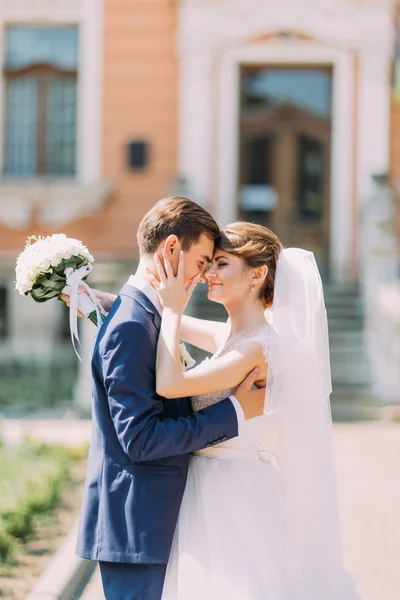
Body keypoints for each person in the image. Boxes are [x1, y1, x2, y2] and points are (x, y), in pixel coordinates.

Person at [144, 221, 362, 599]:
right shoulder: (232, 335)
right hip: (208, 483)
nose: (208, 273)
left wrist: (174, 308)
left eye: (221, 264)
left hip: (231, 495)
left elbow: (170, 384)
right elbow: (163, 322)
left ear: (257, 275)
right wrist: (92, 298)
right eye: (209, 264)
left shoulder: (259, 346)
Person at [72, 198, 266, 600]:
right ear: (171, 249)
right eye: (201, 262)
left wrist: (103, 300)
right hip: (139, 527)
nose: (203, 276)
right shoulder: (133, 324)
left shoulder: (144, 314)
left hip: (158, 521)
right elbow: (140, 439)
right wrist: (233, 412)